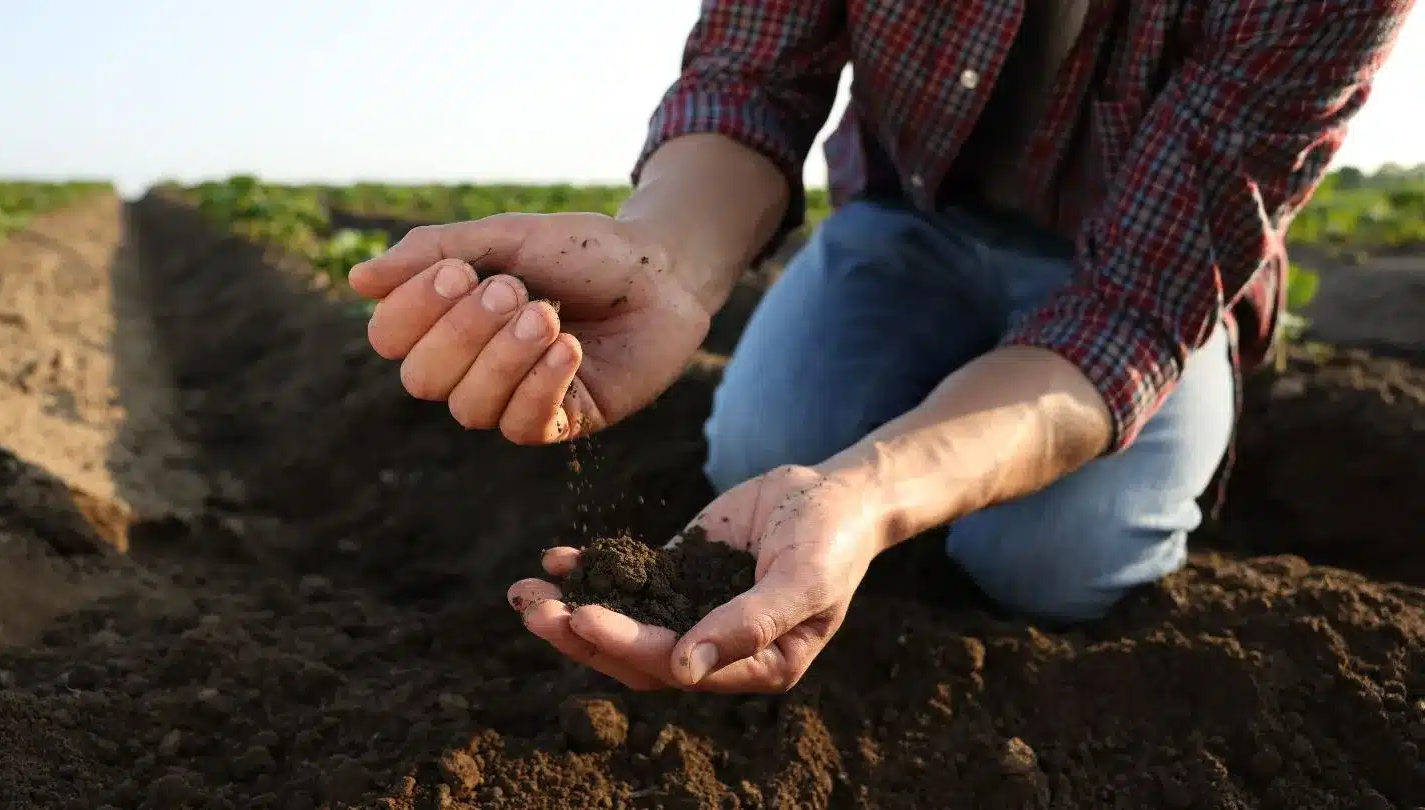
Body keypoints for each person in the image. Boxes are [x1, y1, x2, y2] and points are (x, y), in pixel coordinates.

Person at [348, 0, 1412, 693]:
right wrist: (663, 261)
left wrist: (872, 489)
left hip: (1125, 282)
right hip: (910, 222)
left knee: (1054, 560)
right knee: (766, 442)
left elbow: (1129, 310)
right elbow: (754, 78)